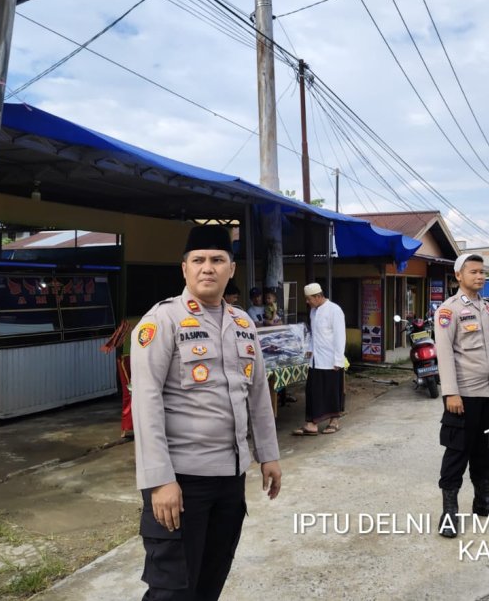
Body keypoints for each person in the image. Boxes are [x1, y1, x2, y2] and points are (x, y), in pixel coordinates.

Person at [130, 225, 281, 601]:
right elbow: (145, 403)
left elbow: (259, 395)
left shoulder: (244, 324)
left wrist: (268, 456)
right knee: (171, 590)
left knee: (210, 582)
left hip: (230, 479)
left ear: (231, 269)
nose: (207, 268)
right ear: (184, 269)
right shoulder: (162, 321)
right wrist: (159, 481)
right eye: (198, 260)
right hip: (181, 482)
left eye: (217, 260)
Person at [434, 254, 489, 538]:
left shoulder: (487, 308)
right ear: (459, 275)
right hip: (465, 395)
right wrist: (451, 393)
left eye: (482, 272)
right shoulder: (449, 310)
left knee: (486, 450)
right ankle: (449, 512)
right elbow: (444, 354)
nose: (480, 276)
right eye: (474, 272)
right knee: (458, 452)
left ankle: (483, 500)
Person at [292, 282, 346, 436]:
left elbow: (340, 337)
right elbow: (314, 335)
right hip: (315, 359)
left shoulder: (334, 310)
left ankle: (334, 421)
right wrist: (309, 350)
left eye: (309, 299)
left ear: (318, 296)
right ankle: (311, 424)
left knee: (331, 391)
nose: (307, 302)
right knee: (313, 391)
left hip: (330, 360)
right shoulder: (313, 312)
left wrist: (338, 360)